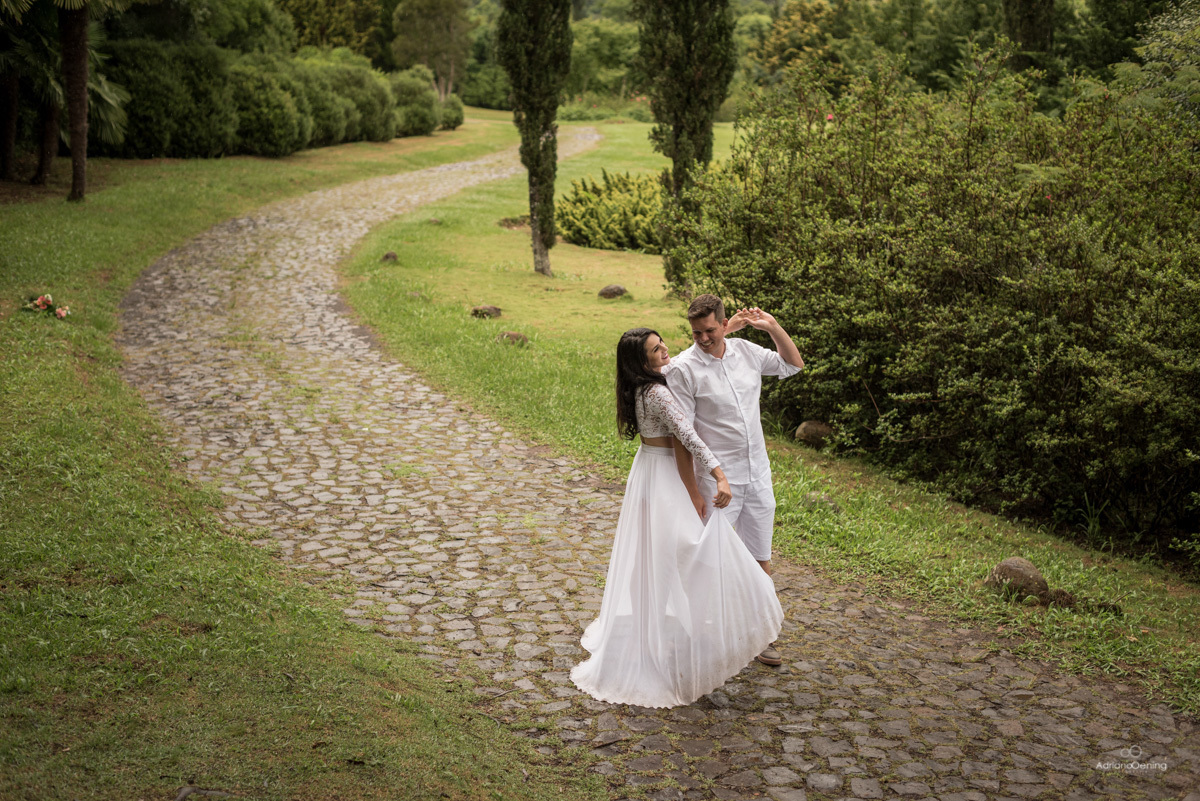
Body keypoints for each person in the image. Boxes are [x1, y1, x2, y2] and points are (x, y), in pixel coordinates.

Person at [570, 328, 783, 708]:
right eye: (656, 349)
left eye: (662, 342)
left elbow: (685, 363)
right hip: (666, 477)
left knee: (653, 552)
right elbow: (688, 436)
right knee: (689, 548)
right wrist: (718, 475)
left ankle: (658, 625)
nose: (665, 349)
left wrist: (726, 332)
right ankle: (703, 630)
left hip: (647, 471)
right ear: (643, 361)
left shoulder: (637, 387)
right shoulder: (658, 393)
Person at [666, 295, 804, 666]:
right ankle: (698, 637)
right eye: (696, 332)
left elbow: (793, 365)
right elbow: (683, 435)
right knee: (710, 561)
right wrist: (693, 491)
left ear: (725, 325)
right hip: (717, 481)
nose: (703, 338)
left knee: (760, 557)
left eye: (710, 330)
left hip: (757, 474)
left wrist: (772, 327)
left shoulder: (746, 351)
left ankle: (762, 636)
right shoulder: (683, 369)